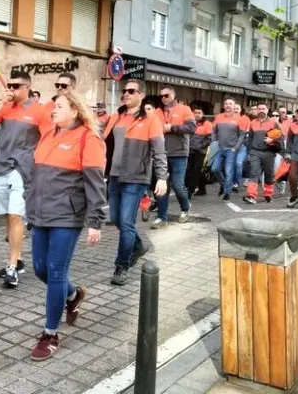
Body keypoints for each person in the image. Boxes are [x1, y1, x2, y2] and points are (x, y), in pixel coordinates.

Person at [26, 91, 106, 361]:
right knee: (39, 268)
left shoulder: (88, 139)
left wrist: (95, 221)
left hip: (67, 217)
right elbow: (38, 176)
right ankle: (73, 295)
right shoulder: (49, 134)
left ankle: (50, 334)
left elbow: (96, 183)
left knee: (56, 271)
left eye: (59, 106)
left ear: (75, 110)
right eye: (53, 106)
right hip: (40, 214)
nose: (53, 110)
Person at [0, 71, 52, 287]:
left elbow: (49, 139)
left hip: (22, 170)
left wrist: (36, 163)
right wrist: (1, 103)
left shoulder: (39, 111)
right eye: (9, 85)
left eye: (16, 86)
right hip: (1, 167)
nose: (11, 89)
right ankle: (18, 259)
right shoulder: (6, 107)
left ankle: (12, 268)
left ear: (27, 87)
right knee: (7, 218)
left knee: (15, 216)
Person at [104, 79, 167, 286]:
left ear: (141, 95)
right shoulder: (117, 116)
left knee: (126, 221)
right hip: (114, 175)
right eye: (125, 91)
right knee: (116, 218)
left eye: (132, 91)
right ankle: (139, 246)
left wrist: (162, 177)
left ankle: (121, 265)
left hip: (136, 177)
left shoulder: (151, 119)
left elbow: (159, 151)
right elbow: (103, 142)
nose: (126, 94)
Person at [151, 86, 195, 228]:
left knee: (177, 184)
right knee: (162, 186)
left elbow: (191, 128)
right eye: (161, 96)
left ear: (173, 95)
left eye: (166, 95)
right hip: (161, 154)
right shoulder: (157, 112)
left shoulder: (184, 109)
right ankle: (161, 217)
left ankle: (185, 208)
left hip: (179, 153)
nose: (163, 98)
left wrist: (172, 128)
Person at [243, 103, 283, 204]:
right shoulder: (253, 123)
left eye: (263, 109)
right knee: (254, 173)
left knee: (269, 175)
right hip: (255, 152)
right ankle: (251, 195)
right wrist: (249, 152)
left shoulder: (273, 123)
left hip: (269, 153)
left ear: (267, 110)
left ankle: (268, 194)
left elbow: (281, 138)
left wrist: (272, 140)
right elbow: (250, 139)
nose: (261, 110)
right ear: (256, 110)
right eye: (259, 109)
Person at [211, 99, 245, 200]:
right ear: (224, 105)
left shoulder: (239, 118)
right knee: (214, 169)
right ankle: (224, 184)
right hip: (220, 148)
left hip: (231, 149)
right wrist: (214, 141)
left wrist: (236, 148)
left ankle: (227, 192)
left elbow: (242, 135)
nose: (228, 105)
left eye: (230, 103)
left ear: (234, 106)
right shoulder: (218, 117)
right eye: (226, 103)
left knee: (229, 171)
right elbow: (214, 131)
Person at [185, 107, 212, 197]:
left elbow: (209, 139)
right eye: (195, 112)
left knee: (195, 170)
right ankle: (202, 189)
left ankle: (190, 191)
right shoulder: (190, 124)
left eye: (199, 112)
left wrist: (200, 146)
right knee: (194, 170)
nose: (197, 114)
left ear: (203, 114)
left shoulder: (207, 124)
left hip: (200, 151)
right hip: (190, 150)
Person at [232, 103, 251, 189]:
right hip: (230, 146)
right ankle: (231, 181)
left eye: (237, 108)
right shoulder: (228, 118)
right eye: (234, 108)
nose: (235, 110)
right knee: (230, 165)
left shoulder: (245, 119)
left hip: (242, 146)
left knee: (239, 163)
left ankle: (236, 181)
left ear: (240, 110)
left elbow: (247, 133)